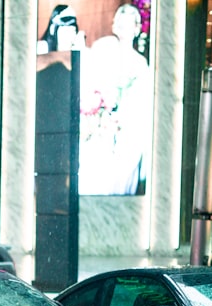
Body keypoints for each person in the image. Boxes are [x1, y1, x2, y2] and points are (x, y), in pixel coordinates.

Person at [79, 3, 152, 196]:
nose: (124, 29)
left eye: (129, 25)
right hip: (101, 131)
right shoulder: (102, 49)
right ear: (114, 26)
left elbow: (141, 106)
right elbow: (91, 85)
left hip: (127, 135)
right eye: (121, 23)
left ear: (137, 29)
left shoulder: (140, 64)